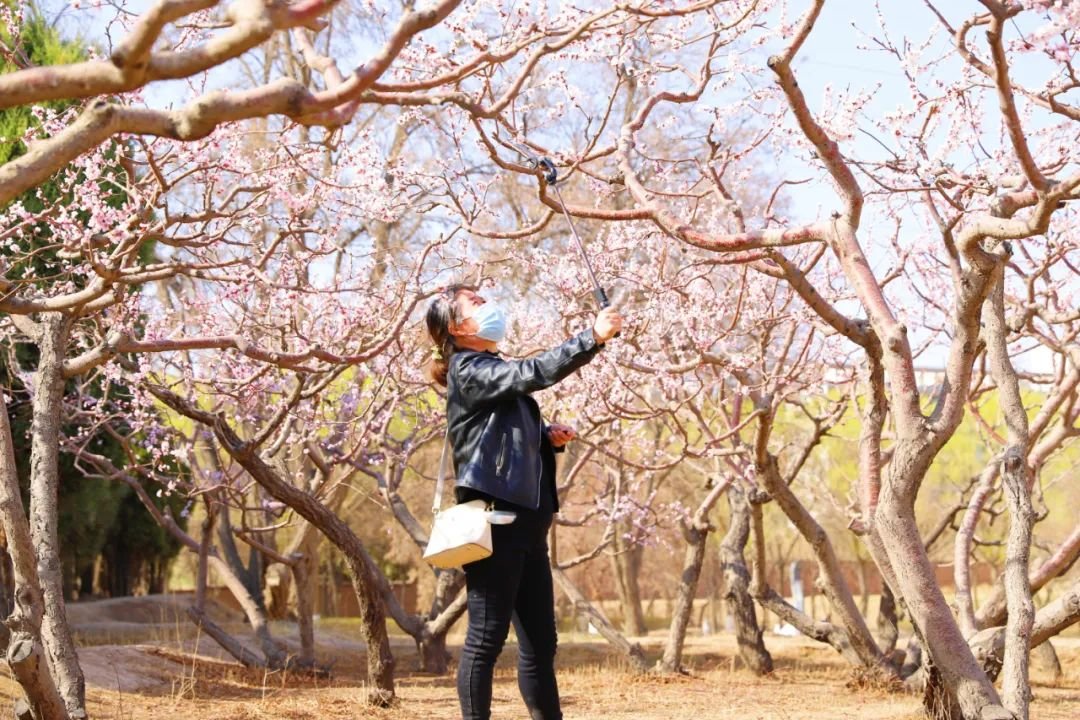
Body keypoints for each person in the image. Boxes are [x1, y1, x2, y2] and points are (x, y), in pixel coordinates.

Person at [425, 285, 622, 720]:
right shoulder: (468, 369)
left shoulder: (490, 368)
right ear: (457, 327)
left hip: (528, 525)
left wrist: (546, 437)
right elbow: (532, 372)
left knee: (541, 643)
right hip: (496, 521)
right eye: (476, 303)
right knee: (486, 639)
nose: (489, 305)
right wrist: (591, 338)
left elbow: (500, 437)